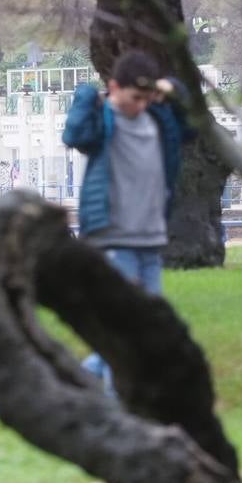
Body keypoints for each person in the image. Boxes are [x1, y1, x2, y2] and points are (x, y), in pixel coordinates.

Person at [62, 49, 193, 384]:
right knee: (124, 326)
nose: (141, 106)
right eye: (135, 98)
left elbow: (191, 126)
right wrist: (88, 93)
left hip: (150, 238)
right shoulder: (103, 119)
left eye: (147, 98)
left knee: (148, 327)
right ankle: (110, 399)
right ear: (116, 87)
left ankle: (81, 380)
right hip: (114, 237)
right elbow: (73, 135)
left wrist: (173, 88)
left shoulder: (156, 118)